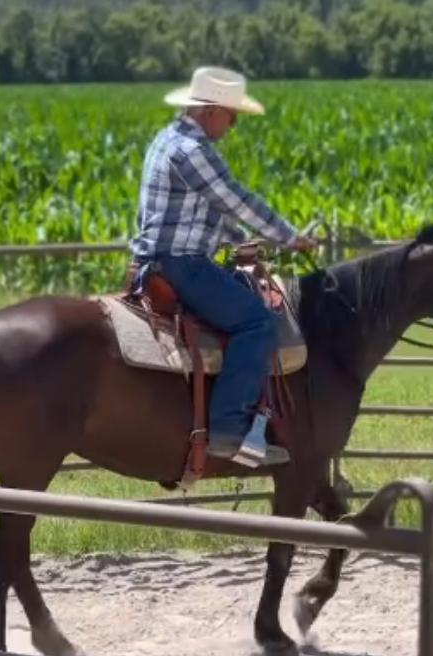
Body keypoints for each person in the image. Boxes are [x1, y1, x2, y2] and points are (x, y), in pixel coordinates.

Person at [130, 66, 316, 467]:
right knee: (256, 322)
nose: (232, 125)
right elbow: (235, 199)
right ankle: (229, 432)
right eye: (232, 115)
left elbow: (213, 212)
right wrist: (290, 237)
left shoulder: (168, 141)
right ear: (212, 110)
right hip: (182, 264)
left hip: (163, 259)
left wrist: (238, 242)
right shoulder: (194, 152)